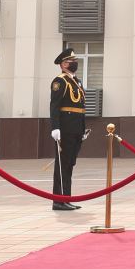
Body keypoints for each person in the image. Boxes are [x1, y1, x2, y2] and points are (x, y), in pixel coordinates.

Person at [49, 47, 87, 211]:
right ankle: (58, 200)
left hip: (75, 129)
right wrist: (55, 127)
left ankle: (66, 198)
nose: (74, 64)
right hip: (64, 129)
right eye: (71, 62)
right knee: (62, 165)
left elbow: (80, 107)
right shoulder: (60, 81)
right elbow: (55, 106)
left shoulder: (76, 81)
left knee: (69, 164)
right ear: (63, 64)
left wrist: (82, 129)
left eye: (74, 62)